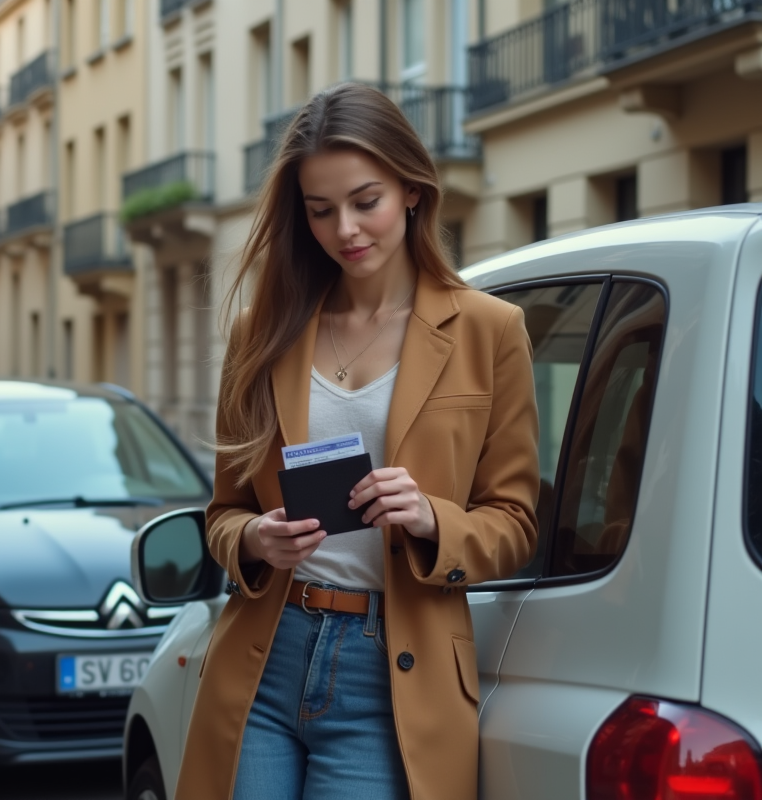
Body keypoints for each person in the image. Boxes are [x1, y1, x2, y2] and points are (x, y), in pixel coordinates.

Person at [175, 83, 540, 800]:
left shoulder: (489, 330)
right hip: (265, 655)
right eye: (319, 210)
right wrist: (255, 539)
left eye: (364, 201)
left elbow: (517, 524)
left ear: (410, 188)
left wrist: (434, 517)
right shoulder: (263, 332)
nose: (345, 229)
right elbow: (221, 513)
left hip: (394, 671)